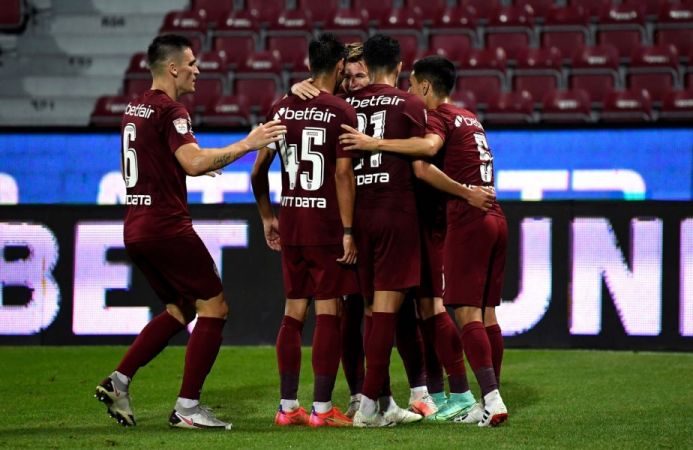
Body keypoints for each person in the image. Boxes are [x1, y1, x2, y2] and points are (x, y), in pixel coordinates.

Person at [94, 34, 286, 430]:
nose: (198, 70)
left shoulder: (135, 107)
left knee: (180, 309)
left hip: (137, 227)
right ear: (173, 68)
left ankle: (119, 381)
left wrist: (189, 165)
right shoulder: (171, 110)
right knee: (215, 307)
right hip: (167, 227)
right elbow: (194, 162)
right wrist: (248, 143)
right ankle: (188, 407)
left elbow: (166, 159)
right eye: (192, 63)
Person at [339, 55, 507, 427]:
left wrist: (373, 142)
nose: (409, 90)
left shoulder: (434, 116)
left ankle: (474, 397)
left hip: (455, 219)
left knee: (447, 309)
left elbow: (425, 157)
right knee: (483, 314)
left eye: (413, 85)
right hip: (493, 216)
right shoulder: (469, 116)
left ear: (425, 86)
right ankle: (478, 397)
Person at [292, 42, 437, 419]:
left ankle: (385, 399)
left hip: (354, 219)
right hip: (386, 213)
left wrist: (302, 88)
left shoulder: (341, 106)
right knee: (378, 310)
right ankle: (370, 400)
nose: (354, 81)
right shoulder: (407, 102)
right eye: (349, 75)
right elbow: (426, 152)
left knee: (375, 310)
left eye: (360, 75)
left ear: (369, 68)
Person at [251, 33, 359, 428]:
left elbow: (257, 171)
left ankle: (287, 408)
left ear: (309, 64)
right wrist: (348, 230)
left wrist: (268, 217)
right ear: (339, 66)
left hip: (292, 222)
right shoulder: (341, 110)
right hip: (326, 225)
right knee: (329, 311)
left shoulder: (280, 107)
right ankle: (323, 409)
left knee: (293, 311)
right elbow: (343, 174)